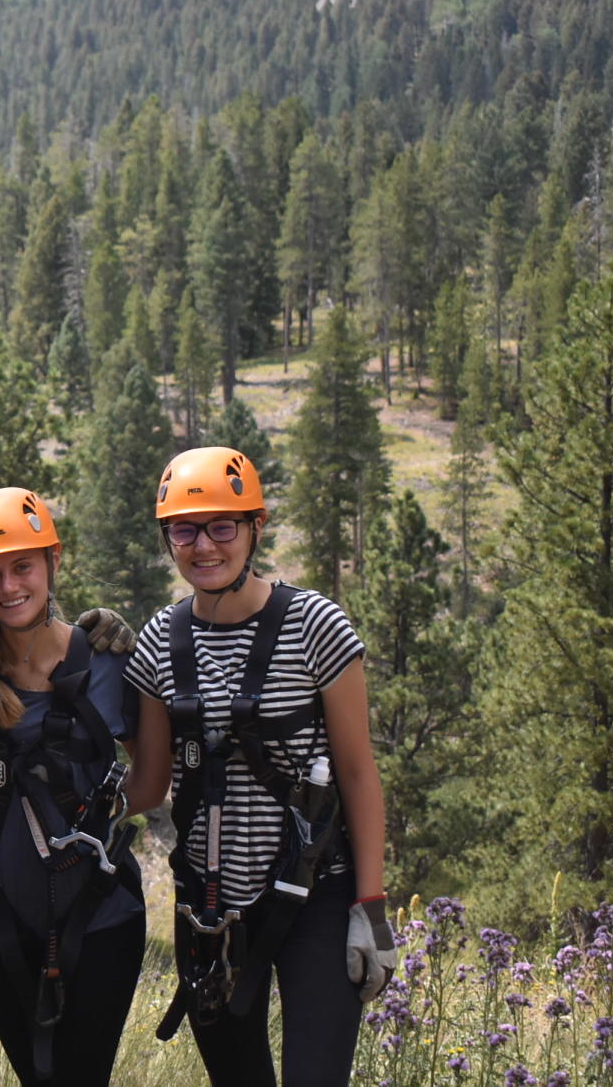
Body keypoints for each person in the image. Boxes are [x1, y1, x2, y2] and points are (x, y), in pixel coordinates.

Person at [126, 447, 394, 1087]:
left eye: (223, 526)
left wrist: (372, 907)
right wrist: (78, 660)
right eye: (184, 530)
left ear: (255, 528)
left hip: (314, 895)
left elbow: (358, 772)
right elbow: (149, 783)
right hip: (209, 907)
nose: (203, 546)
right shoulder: (159, 641)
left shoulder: (314, 626)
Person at [0, 487, 158, 1087]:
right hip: (4, 918)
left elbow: (151, 782)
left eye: (22, 567)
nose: (9, 586)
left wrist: (102, 814)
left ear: (52, 563)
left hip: (101, 915)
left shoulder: (105, 662)